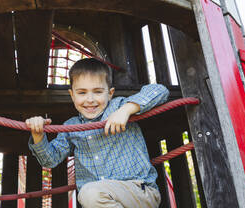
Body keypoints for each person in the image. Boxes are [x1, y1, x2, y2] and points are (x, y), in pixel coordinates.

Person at [27, 58, 169, 208]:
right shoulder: (70, 127)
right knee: (90, 194)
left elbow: (160, 91)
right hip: (100, 200)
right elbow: (50, 160)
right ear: (72, 95)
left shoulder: (118, 107)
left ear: (110, 93)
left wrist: (127, 110)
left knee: (90, 193)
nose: (90, 99)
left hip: (138, 192)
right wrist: (38, 134)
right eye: (82, 92)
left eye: (98, 92)